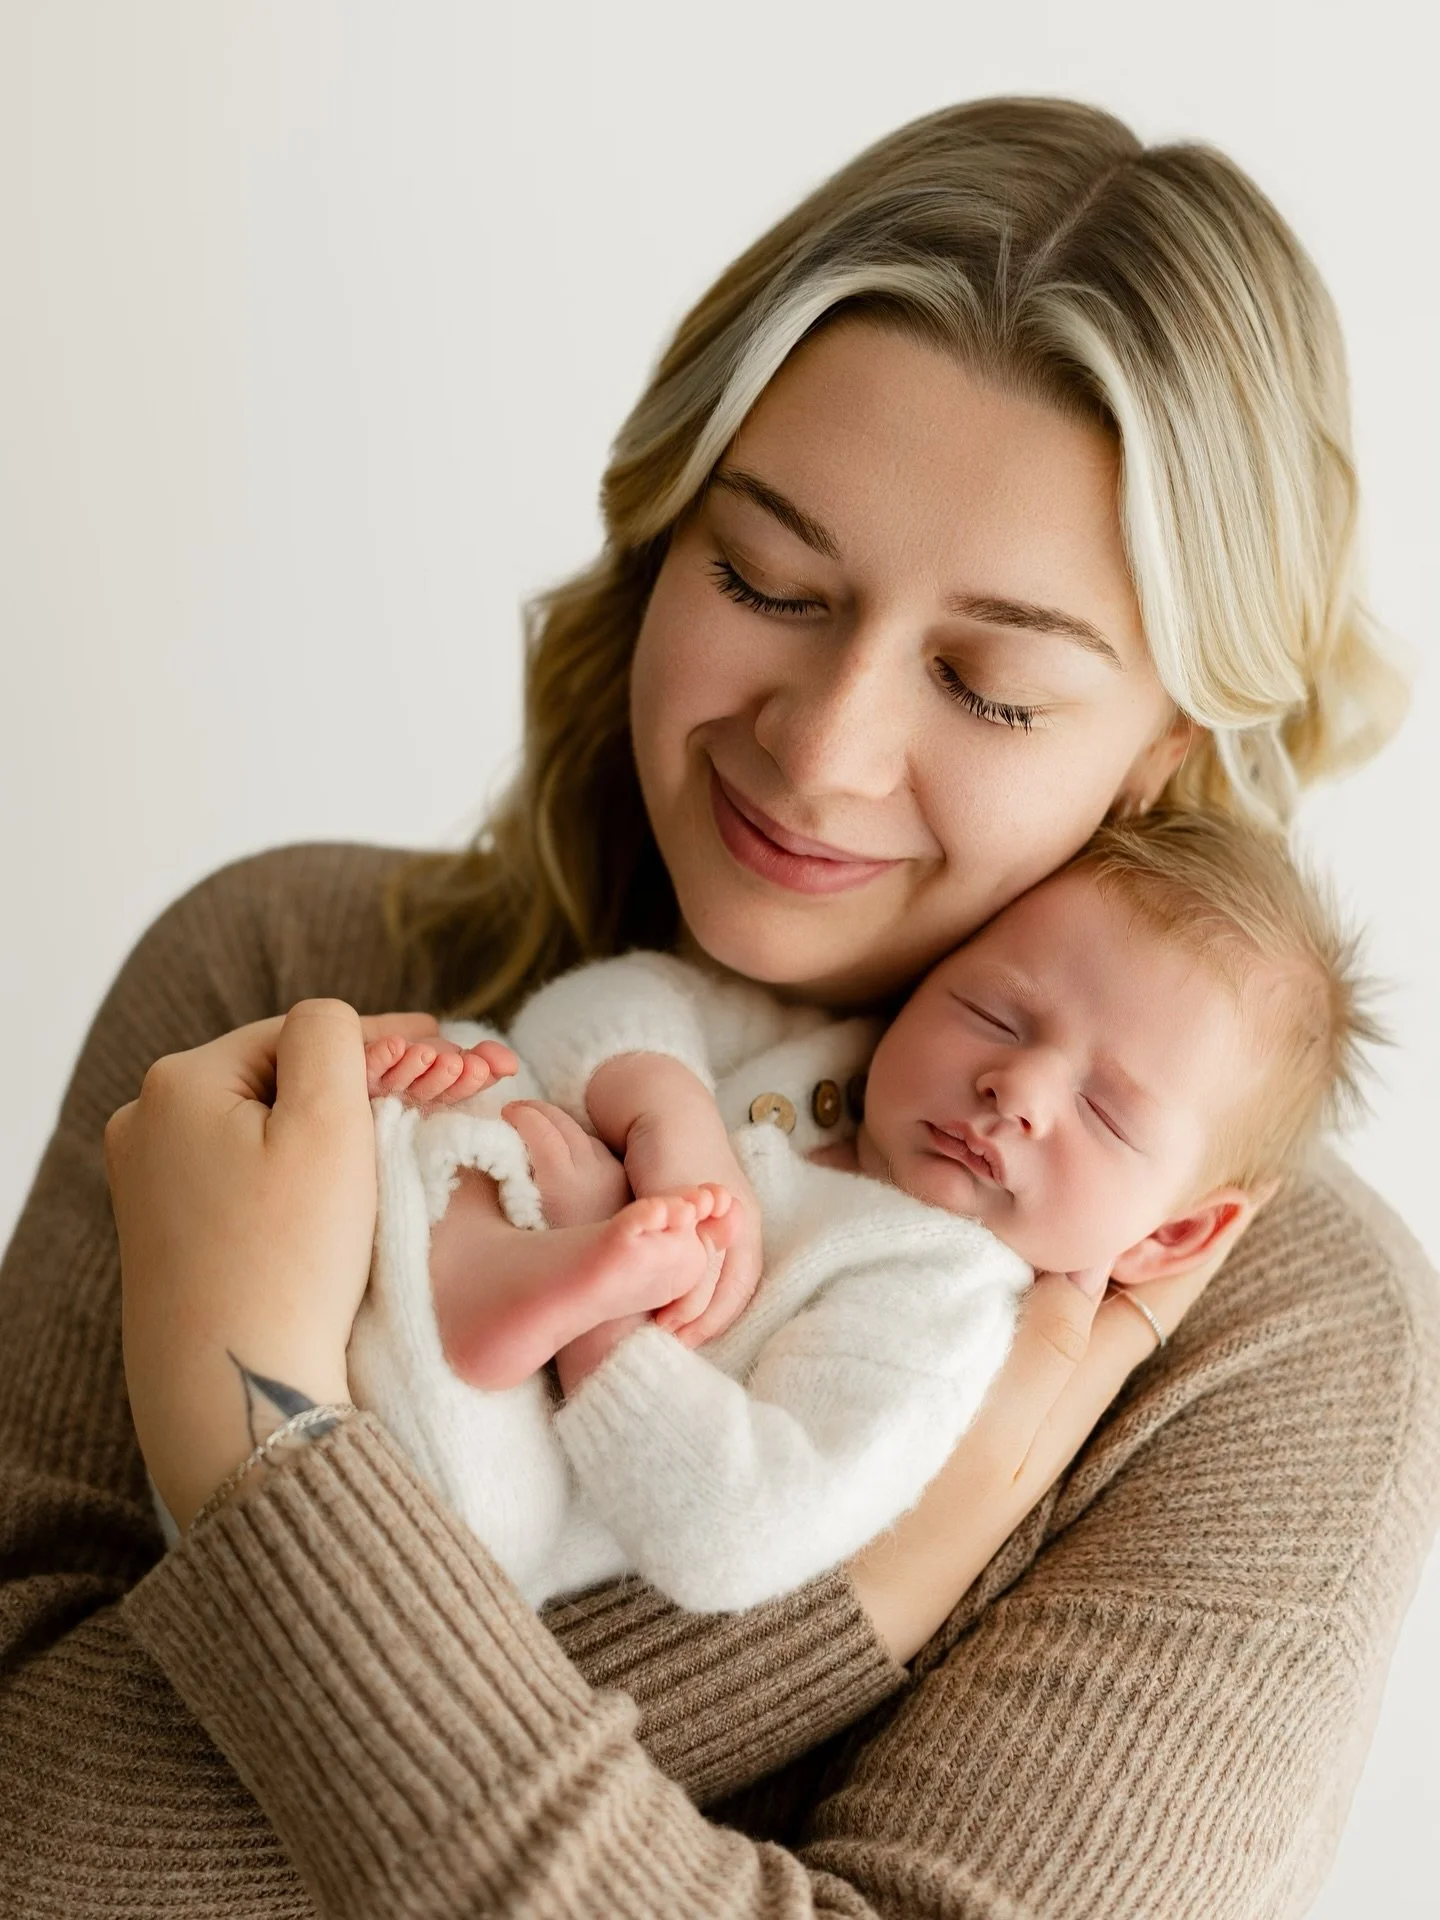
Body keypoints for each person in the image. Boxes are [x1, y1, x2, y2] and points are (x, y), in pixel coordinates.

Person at [6, 96, 1438, 1916]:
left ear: (1164, 756)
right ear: (660, 541)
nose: (820, 751)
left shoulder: (1266, 1334)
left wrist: (267, 1451)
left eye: (990, 688)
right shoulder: (274, 997)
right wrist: (874, 1595)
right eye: (765, 579)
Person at [328, 811, 1376, 1618]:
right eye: (993, 1014)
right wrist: (668, 1113)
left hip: (449, 1483)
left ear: (1169, 1235)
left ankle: (532, 1297)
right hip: (344, 1289)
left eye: (1103, 1112)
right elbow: (612, 1001)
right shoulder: (836, 1056)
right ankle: (484, 1252)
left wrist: (607, 1327)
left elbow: (741, 1531)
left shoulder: (936, 1310)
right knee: (486, 1059)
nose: (1017, 1088)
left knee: (491, 1495)